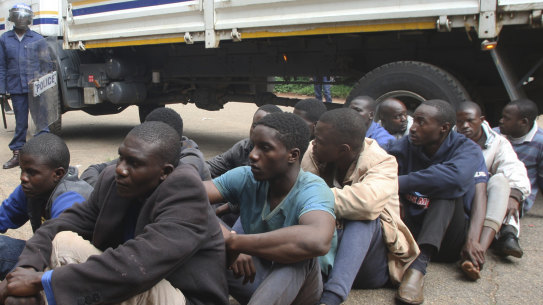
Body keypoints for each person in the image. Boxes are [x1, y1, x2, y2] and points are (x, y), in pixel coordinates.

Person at [0, 121, 229, 305]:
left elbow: (135, 266)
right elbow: (60, 224)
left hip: (182, 297)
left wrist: (41, 281)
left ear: (164, 172)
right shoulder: (112, 181)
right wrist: (25, 270)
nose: (120, 169)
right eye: (121, 157)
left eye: (134, 163)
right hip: (136, 281)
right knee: (61, 240)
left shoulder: (185, 193)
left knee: (52, 284)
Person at [204, 112, 337, 305]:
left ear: (293, 155)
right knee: (201, 247)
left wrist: (237, 242)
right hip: (258, 278)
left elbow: (317, 240)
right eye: (253, 145)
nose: (252, 155)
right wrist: (228, 237)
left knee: (299, 256)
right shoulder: (245, 177)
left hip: (302, 290)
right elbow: (185, 198)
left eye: (265, 148)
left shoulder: (313, 189)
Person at [302, 108, 419, 305]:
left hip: (369, 265)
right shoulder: (313, 152)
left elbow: (365, 204)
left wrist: (307, 197)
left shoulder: (382, 163)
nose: (313, 143)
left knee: (366, 217)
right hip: (324, 253)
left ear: (343, 150)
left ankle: (332, 297)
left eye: (320, 141)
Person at [386, 100, 484, 304]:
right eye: (414, 121)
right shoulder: (406, 144)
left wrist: (398, 183)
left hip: (447, 239)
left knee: (448, 190)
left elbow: (455, 178)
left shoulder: (467, 149)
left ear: (444, 128)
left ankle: (417, 270)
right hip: (410, 232)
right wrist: (393, 190)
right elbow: (381, 167)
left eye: (421, 123)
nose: (412, 127)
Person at [0, 133, 93, 279]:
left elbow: (57, 252)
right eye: (22, 170)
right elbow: (4, 215)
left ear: (57, 174)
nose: (23, 178)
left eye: (31, 172)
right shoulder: (31, 188)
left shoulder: (70, 198)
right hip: (43, 254)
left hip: (74, 268)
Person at [456, 102, 530, 275]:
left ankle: (477, 252)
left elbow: (514, 168)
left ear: (481, 120)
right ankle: (474, 253)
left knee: (500, 182)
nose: (464, 126)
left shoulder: (497, 143)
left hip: (483, 201)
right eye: (460, 122)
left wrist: (515, 195)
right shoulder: (450, 137)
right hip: (460, 199)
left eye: (470, 121)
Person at [81, 107, 211, 185]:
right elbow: (93, 170)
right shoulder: (143, 153)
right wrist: (104, 190)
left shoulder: (190, 160)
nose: (122, 170)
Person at [0, 4, 48, 169]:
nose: (21, 19)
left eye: (23, 16)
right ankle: (18, 154)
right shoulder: (5, 39)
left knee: (41, 121)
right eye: (18, 16)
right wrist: (2, 89)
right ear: (12, 18)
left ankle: (45, 154)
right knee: (20, 123)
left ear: (29, 18)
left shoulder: (37, 38)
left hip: (35, 87)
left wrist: (42, 82)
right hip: (16, 87)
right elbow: (2, 66)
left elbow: (46, 65)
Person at [493, 98, 543, 257]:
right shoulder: (496, 134)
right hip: (496, 184)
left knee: (510, 202)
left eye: (506, 118)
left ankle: (509, 235)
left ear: (524, 122)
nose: (501, 121)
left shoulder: (539, 142)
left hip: (521, 192)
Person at [206, 104, 282, 178]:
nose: (258, 131)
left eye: (266, 128)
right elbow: (212, 167)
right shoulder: (243, 147)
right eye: (255, 126)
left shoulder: (282, 157)